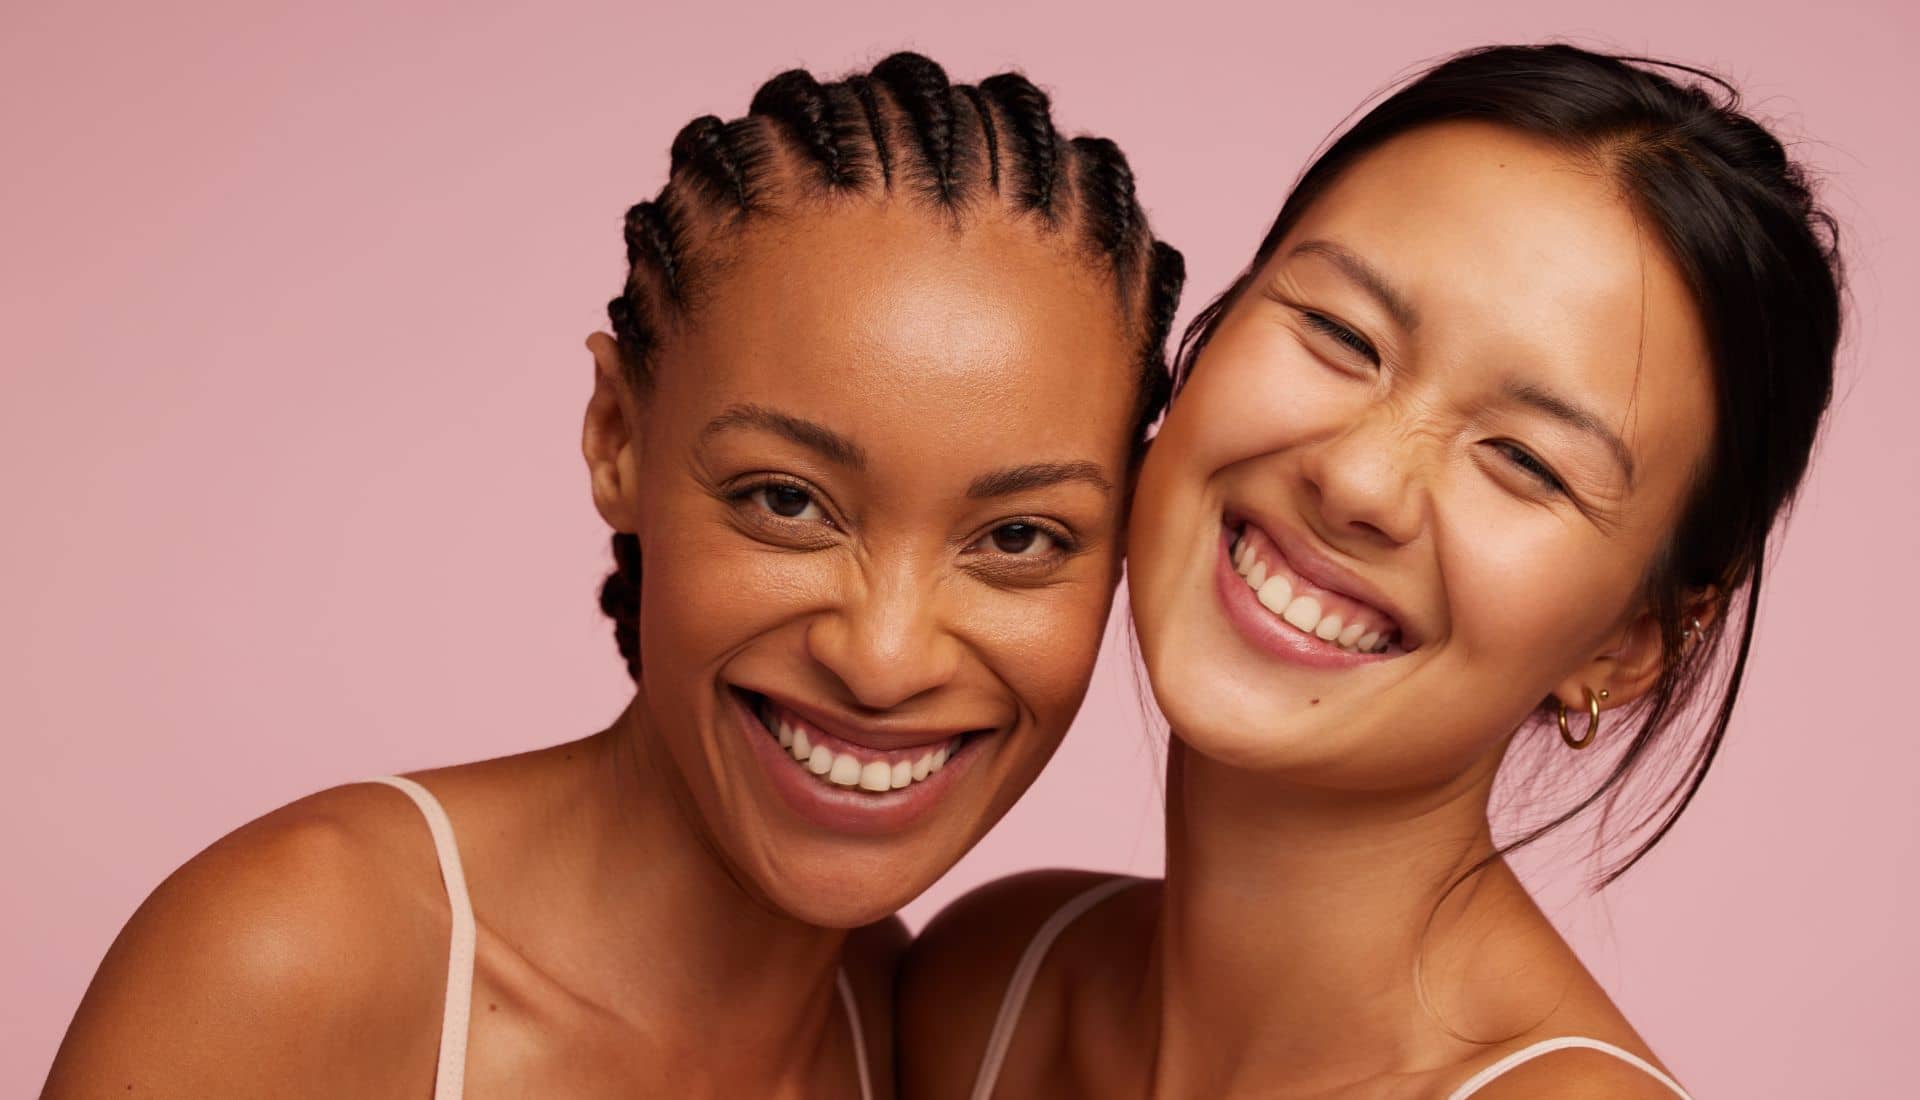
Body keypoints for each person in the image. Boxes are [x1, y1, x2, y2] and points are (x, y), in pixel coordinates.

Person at [45, 52, 1183, 1098]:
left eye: (1021, 537)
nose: (884, 659)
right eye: (786, 500)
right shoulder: (297, 960)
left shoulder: (904, 1031)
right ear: (616, 435)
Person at [903, 43, 1840, 1100]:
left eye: (1525, 459)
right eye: (1341, 333)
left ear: (1628, 640)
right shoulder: (990, 984)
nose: (1357, 479)